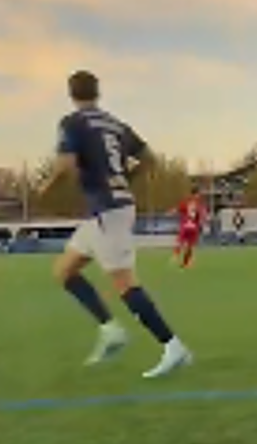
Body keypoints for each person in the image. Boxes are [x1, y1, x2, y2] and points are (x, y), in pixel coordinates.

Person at [42, 70, 191, 379]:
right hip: (109, 210)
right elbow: (150, 159)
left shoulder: (73, 123)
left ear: (71, 93)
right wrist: (125, 180)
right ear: (97, 92)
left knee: (125, 284)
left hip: (108, 211)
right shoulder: (115, 124)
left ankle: (173, 346)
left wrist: (46, 187)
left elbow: (65, 165)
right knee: (64, 271)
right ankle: (110, 330)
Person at [174, 192, 205, 269]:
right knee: (190, 246)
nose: (199, 196)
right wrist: (201, 224)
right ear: (197, 194)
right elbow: (202, 216)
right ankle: (185, 263)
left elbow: (177, 210)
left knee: (180, 242)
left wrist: (170, 212)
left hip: (185, 226)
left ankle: (176, 255)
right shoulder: (199, 205)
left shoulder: (186, 202)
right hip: (193, 227)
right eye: (198, 194)